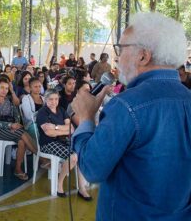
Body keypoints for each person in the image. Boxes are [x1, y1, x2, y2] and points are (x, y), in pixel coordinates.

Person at [71, 12, 191, 220]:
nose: (116, 57)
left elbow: (92, 168)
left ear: (143, 56)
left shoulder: (127, 106)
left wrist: (86, 118)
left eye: (121, 48)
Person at [0, 78, 36, 180]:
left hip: (11, 130)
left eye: (6, 88)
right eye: (2, 88)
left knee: (22, 141)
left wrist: (16, 124)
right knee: (22, 133)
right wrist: (10, 125)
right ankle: (41, 157)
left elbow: (16, 114)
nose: (4, 90)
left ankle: (18, 169)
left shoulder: (8, 101)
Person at [36, 89, 77, 197]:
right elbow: (49, 133)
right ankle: (59, 183)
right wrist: (63, 130)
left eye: (56, 99)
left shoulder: (62, 110)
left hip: (63, 140)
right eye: (51, 99)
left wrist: (55, 127)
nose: (54, 102)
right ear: (45, 99)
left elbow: (71, 129)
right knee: (73, 157)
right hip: (48, 144)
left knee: (80, 151)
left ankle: (82, 186)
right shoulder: (42, 113)